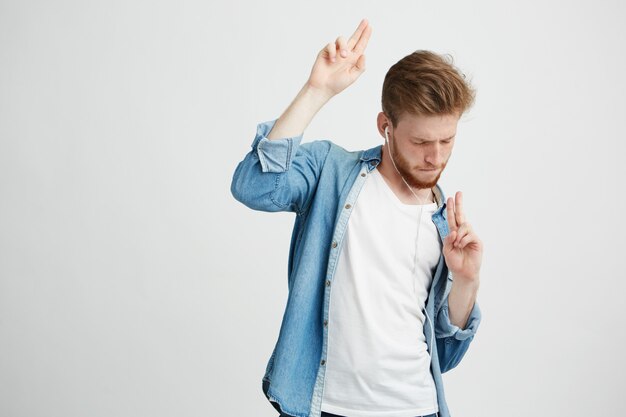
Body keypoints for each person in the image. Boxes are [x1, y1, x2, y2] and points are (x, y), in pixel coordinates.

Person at [230, 18, 483, 417]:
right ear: (386, 126)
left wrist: (466, 280)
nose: (435, 157)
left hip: (417, 408)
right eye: (420, 142)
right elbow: (254, 187)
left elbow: (445, 356)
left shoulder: (445, 221)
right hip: (326, 406)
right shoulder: (331, 171)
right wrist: (317, 91)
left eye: (446, 141)